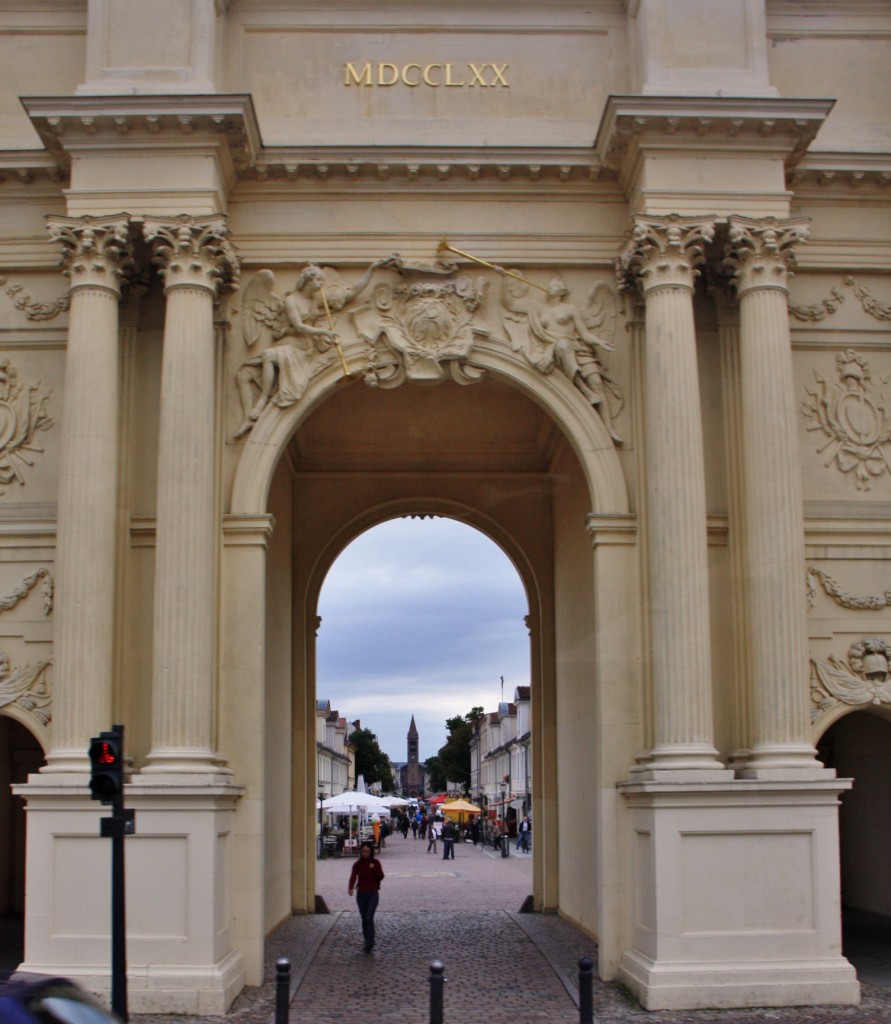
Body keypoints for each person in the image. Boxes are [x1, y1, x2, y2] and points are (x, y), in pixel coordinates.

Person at [348, 841, 384, 952]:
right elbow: (353, 876)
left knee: (369, 917)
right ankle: (367, 941)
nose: (365, 853)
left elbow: (381, 876)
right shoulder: (357, 864)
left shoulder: (375, 863)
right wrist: (350, 887)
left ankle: (370, 940)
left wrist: (373, 868)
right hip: (361, 894)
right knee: (364, 919)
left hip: (372, 894)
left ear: (371, 852)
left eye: (367, 851)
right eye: (363, 851)